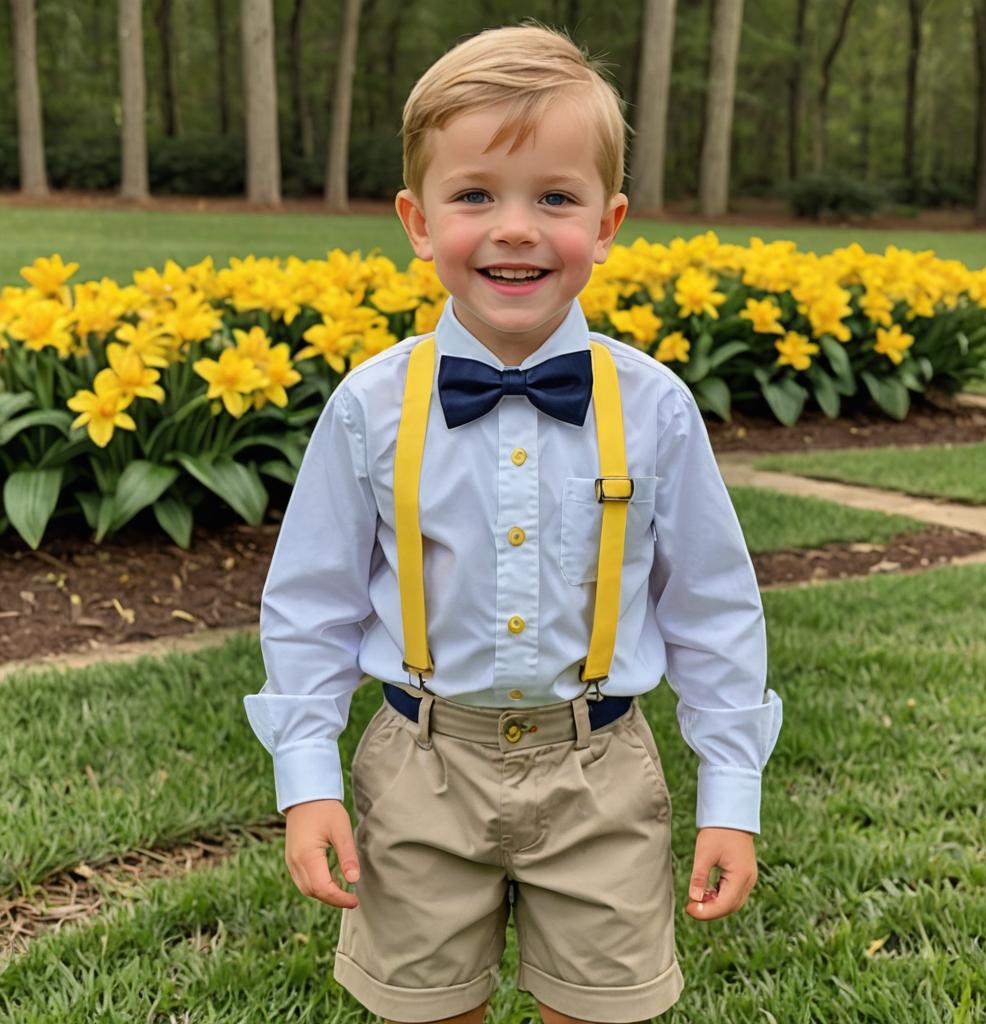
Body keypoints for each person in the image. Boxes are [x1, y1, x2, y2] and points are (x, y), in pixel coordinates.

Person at [243, 20, 783, 1024]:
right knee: (424, 1007)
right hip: (420, 764)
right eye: (475, 195)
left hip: (602, 771)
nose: (517, 229)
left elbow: (713, 608)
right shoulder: (369, 406)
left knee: (600, 1005)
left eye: (556, 198)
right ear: (416, 218)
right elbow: (309, 603)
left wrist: (730, 793)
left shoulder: (654, 407)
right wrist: (306, 775)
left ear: (609, 222)